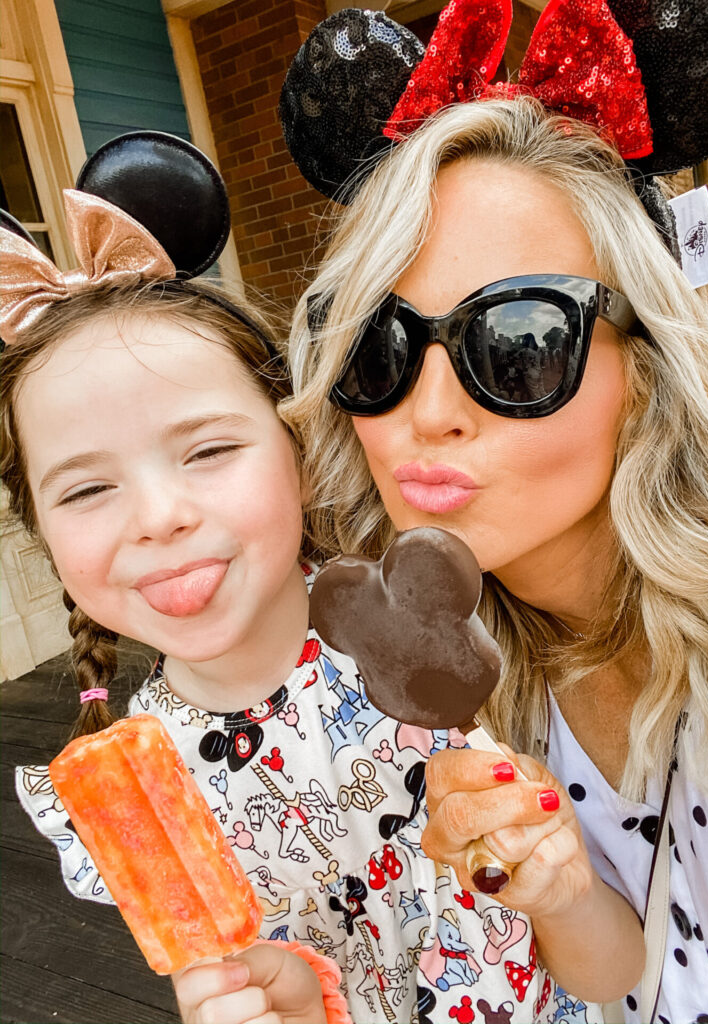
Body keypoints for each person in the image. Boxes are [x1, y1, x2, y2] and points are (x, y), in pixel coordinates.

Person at [1, 138, 596, 1024]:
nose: (158, 516)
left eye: (208, 450)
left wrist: (563, 895)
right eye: (87, 488)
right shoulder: (136, 793)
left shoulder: (451, 624)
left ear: (304, 456)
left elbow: (609, 966)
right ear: (42, 535)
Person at [279, 3, 708, 1022]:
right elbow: (624, 979)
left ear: (647, 367)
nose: (429, 415)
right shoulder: (487, 663)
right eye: (380, 348)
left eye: (517, 341)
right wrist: (556, 892)